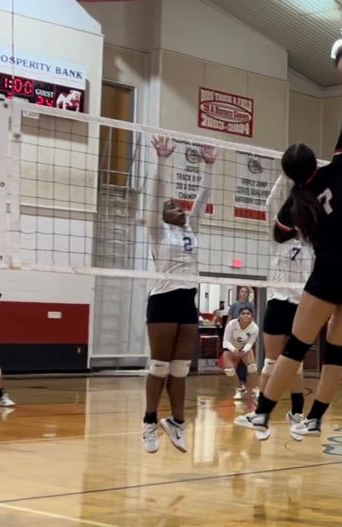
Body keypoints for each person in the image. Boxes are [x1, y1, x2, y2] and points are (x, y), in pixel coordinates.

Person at [234, 57, 342, 441]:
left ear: (289, 174)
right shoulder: (338, 171)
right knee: (336, 349)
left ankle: (262, 414)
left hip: (330, 269)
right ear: (316, 161)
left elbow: (279, 234)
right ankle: (314, 420)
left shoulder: (294, 203)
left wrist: (295, 215)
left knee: (296, 346)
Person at [143, 135, 217, 453]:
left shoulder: (191, 230)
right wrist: (161, 160)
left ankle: (177, 422)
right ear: (163, 215)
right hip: (162, 299)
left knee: (180, 369)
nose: (180, 208)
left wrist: (209, 166)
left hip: (187, 299)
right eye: (172, 206)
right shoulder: (158, 231)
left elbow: (202, 197)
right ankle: (148, 423)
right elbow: (156, 195)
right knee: (159, 365)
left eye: (180, 205)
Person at [257, 174, 314, 424]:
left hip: (300, 306)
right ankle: (260, 413)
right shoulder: (276, 241)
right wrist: (287, 176)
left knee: (294, 362)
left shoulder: (311, 242)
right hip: (277, 302)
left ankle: (297, 412)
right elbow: (269, 205)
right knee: (271, 361)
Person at [222, 307, 260, 401]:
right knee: (229, 371)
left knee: (252, 368)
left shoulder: (254, 328)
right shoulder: (232, 324)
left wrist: (244, 351)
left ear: (251, 316)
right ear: (239, 315)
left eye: (248, 313)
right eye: (243, 313)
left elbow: (250, 342)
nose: (245, 315)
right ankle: (240, 389)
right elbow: (226, 340)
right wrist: (234, 350)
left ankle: (256, 389)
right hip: (230, 348)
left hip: (244, 349)